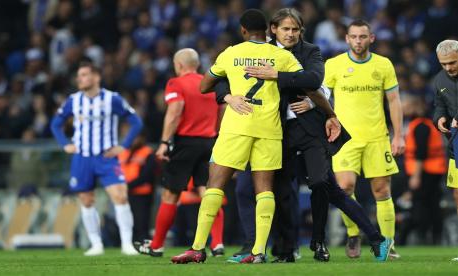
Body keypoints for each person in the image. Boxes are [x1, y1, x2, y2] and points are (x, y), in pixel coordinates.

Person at [223, 8, 393, 263]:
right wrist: (227, 96)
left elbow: (314, 79)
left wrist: (283, 80)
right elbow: (225, 76)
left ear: (301, 31)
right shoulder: (261, 51)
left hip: (311, 129)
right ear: (273, 29)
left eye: (295, 29)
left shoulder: (310, 51)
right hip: (276, 131)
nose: (290, 34)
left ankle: (329, 241)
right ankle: (285, 249)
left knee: (322, 184)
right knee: (281, 192)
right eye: (285, 29)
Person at [171, 9, 304, 264]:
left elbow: (204, 85)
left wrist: (229, 94)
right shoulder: (280, 55)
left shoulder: (231, 53)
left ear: (243, 30)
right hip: (269, 128)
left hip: (236, 126)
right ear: (267, 30)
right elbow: (304, 79)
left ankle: (198, 248)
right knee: (264, 190)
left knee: (215, 186)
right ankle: (258, 252)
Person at [324, 19, 405, 259]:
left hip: (377, 137)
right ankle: (353, 234)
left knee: (382, 190)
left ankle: (388, 245)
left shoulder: (383, 65)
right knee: (345, 187)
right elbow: (323, 99)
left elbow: (393, 101)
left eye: (362, 37)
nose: (358, 41)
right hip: (345, 139)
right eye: (354, 37)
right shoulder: (334, 65)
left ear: (371, 39)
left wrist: (398, 135)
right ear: (347, 39)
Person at [135, 48, 223, 257]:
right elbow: (222, 110)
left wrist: (164, 142)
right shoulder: (210, 84)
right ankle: (217, 243)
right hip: (210, 142)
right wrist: (215, 133)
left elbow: (175, 112)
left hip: (185, 144)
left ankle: (156, 246)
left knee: (170, 194)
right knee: (208, 193)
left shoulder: (176, 83)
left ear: (179, 65)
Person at [50, 61, 142, 256]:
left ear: (96, 77)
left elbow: (136, 122)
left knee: (120, 196)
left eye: (84, 74)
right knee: (86, 200)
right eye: (79, 75)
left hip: (106, 157)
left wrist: (123, 146)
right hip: (82, 158)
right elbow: (55, 124)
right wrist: (65, 144)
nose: (79, 79)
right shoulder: (73, 100)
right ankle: (96, 244)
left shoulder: (113, 99)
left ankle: (127, 245)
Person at [401, 94, 446, 244]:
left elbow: (421, 153)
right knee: (433, 205)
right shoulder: (424, 124)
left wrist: (416, 176)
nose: (403, 109)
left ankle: (422, 237)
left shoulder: (420, 126)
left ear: (415, 107)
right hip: (434, 171)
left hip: (426, 172)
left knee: (421, 206)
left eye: (406, 106)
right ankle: (435, 238)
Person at [431, 39, 458, 261]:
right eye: (444, 64)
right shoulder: (439, 79)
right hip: (455, 145)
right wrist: (439, 118)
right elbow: (439, 104)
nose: (448, 68)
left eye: (453, 63)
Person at [118, 130, 157, 243]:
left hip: (142, 194)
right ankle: (128, 245)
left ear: (142, 138)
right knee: (126, 222)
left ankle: (143, 245)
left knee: (141, 223)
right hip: (125, 194)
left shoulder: (147, 152)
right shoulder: (123, 152)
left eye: (136, 137)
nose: (133, 140)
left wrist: (128, 186)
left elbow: (147, 175)